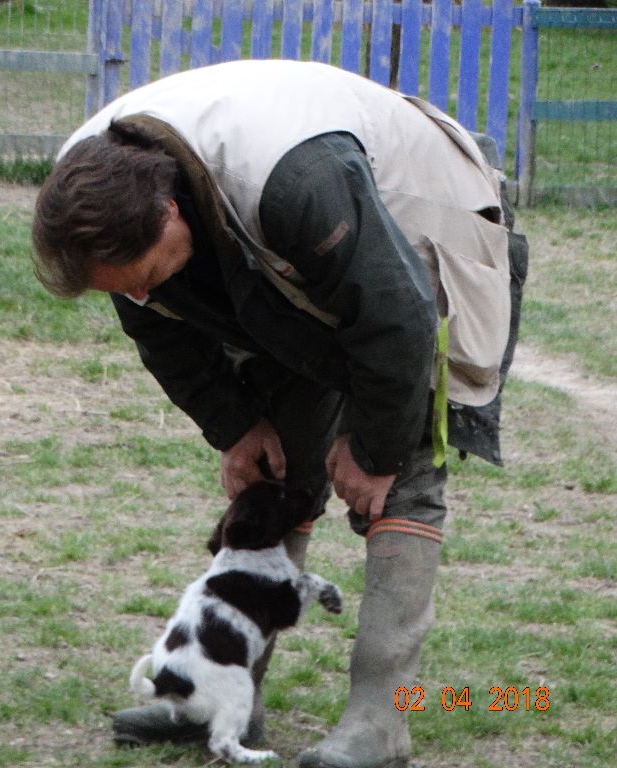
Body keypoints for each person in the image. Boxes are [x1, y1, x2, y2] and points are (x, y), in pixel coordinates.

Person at [30, 59, 527, 768]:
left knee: (405, 470)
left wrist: (376, 451)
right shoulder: (95, 201)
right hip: (279, 251)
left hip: (418, 225)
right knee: (281, 466)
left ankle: (381, 722)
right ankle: (226, 698)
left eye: (142, 278)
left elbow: (397, 320)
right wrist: (234, 424)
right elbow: (161, 326)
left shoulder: (295, 183)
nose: (136, 296)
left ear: (168, 212)